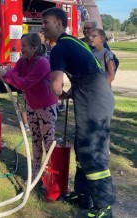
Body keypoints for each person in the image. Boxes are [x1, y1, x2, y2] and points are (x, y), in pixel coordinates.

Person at [42, 7, 116, 218]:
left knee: (92, 150)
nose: (42, 26)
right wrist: (68, 94)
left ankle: (104, 206)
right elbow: (86, 72)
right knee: (83, 148)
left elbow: (55, 86)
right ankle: (84, 195)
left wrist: (56, 95)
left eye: (46, 22)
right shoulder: (73, 42)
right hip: (93, 96)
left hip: (94, 101)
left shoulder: (60, 48)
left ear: (58, 23)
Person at [0, 33, 58, 181]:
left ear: (34, 47)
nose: (22, 49)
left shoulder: (42, 63)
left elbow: (24, 83)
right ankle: (36, 172)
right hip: (32, 106)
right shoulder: (23, 61)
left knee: (48, 142)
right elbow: (13, 75)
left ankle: (52, 174)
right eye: (22, 46)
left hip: (46, 107)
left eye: (25, 46)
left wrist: (6, 74)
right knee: (35, 140)